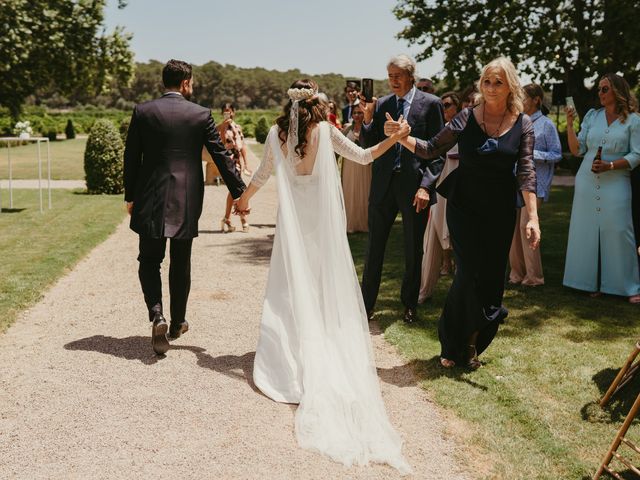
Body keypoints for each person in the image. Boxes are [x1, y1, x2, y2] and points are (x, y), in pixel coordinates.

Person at [235, 79, 411, 473]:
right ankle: (320, 349)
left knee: (290, 290)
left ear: (289, 105)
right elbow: (365, 157)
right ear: (316, 103)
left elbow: (262, 174)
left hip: (294, 229)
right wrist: (395, 139)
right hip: (320, 228)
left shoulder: (275, 134)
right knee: (321, 288)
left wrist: (242, 199)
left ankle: (290, 358)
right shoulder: (328, 131)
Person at [385, 57, 540, 369]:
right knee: (468, 274)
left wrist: (533, 217)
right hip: (464, 205)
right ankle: (453, 342)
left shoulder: (522, 123)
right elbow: (431, 148)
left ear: (510, 85)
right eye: (486, 81)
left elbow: (526, 171)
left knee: (492, 280)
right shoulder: (467, 116)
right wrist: (402, 137)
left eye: (498, 81)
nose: (491, 87)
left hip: (499, 209)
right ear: (480, 85)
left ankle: (472, 342)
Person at [123, 59, 246, 355]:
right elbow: (220, 156)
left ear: (163, 82)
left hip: (151, 196)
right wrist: (240, 193)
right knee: (181, 261)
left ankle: (157, 314)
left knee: (150, 260)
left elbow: (131, 157)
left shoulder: (143, 111)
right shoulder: (200, 114)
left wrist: (130, 196)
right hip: (186, 199)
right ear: (186, 82)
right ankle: (177, 323)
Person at [359, 54, 445, 324]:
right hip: (383, 184)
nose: (393, 81)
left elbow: (437, 151)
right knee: (374, 248)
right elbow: (367, 145)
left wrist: (425, 187)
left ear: (411, 76)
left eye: (397, 75)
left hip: (413, 186)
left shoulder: (431, 104)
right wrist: (368, 121)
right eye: (390, 76)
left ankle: (409, 305)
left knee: (412, 249)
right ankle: (366, 305)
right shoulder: (382, 103)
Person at [564, 73, 640, 303]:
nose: (600, 93)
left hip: (617, 180)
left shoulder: (634, 121)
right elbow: (577, 150)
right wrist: (569, 124)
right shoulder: (592, 116)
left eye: (604, 89)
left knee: (618, 230)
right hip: (587, 180)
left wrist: (610, 165)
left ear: (617, 91)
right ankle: (590, 283)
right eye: (599, 89)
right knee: (587, 231)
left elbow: (637, 154)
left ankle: (629, 286)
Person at [508, 84, 562, 286]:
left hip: (536, 184)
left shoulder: (547, 124)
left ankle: (535, 277)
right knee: (512, 229)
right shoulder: (516, 122)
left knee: (526, 227)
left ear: (536, 100)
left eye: (523, 97)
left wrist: (531, 154)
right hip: (512, 182)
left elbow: (556, 154)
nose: (520, 101)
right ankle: (516, 273)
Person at [418, 92, 461, 302]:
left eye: (447, 105)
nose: (443, 109)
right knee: (434, 230)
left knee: (460, 233)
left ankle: (462, 292)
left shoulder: (464, 126)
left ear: (457, 107)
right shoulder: (438, 130)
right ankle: (425, 288)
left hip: (458, 185)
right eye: (441, 105)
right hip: (439, 185)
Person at [341, 101, 371, 232]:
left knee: (366, 191)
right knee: (350, 191)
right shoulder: (347, 128)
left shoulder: (370, 127)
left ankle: (365, 223)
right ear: (351, 115)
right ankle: (350, 223)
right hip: (349, 165)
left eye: (360, 112)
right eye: (355, 113)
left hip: (366, 165)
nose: (357, 115)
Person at [219, 129, 250, 233]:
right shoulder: (221, 129)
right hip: (227, 163)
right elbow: (220, 145)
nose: (227, 113)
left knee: (233, 190)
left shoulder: (237, 128)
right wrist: (223, 127)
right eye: (225, 111)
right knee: (238, 189)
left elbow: (243, 147)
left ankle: (227, 218)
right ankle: (243, 218)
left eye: (229, 111)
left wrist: (246, 163)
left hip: (236, 161)